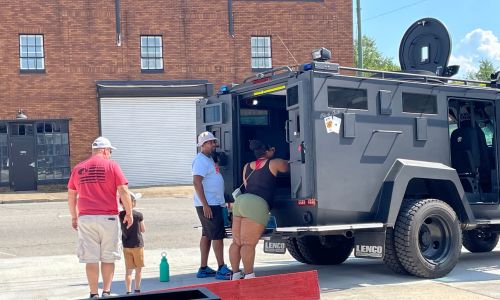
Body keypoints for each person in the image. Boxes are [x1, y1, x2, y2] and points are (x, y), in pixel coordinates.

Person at [67, 136, 133, 298]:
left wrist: (74, 217)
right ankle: (107, 291)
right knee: (108, 257)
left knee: (91, 258)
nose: (110, 154)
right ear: (104, 150)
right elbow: (124, 191)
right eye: (109, 151)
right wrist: (129, 213)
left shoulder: (79, 168)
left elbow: (71, 196)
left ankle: (93, 293)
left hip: (86, 218)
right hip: (108, 218)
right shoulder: (112, 166)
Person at [229, 140, 288, 279]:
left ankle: (236, 274)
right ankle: (249, 275)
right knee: (249, 244)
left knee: (237, 242)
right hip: (256, 204)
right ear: (268, 151)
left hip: (241, 201)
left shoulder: (247, 166)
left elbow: (248, 184)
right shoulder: (274, 163)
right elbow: (289, 167)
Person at [192, 131, 231, 280]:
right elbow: (197, 182)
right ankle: (221, 268)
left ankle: (204, 268)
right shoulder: (200, 160)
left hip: (214, 203)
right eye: (211, 142)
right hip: (209, 205)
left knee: (207, 235)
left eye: (214, 142)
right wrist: (205, 205)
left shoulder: (209, 159)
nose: (214, 145)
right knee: (217, 236)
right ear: (203, 145)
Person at [119, 191, 145, 295]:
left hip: (126, 245)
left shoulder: (120, 215)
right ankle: (137, 290)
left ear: (122, 203)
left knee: (128, 271)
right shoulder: (139, 215)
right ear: (133, 203)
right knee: (138, 270)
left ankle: (128, 291)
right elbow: (143, 229)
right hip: (138, 245)